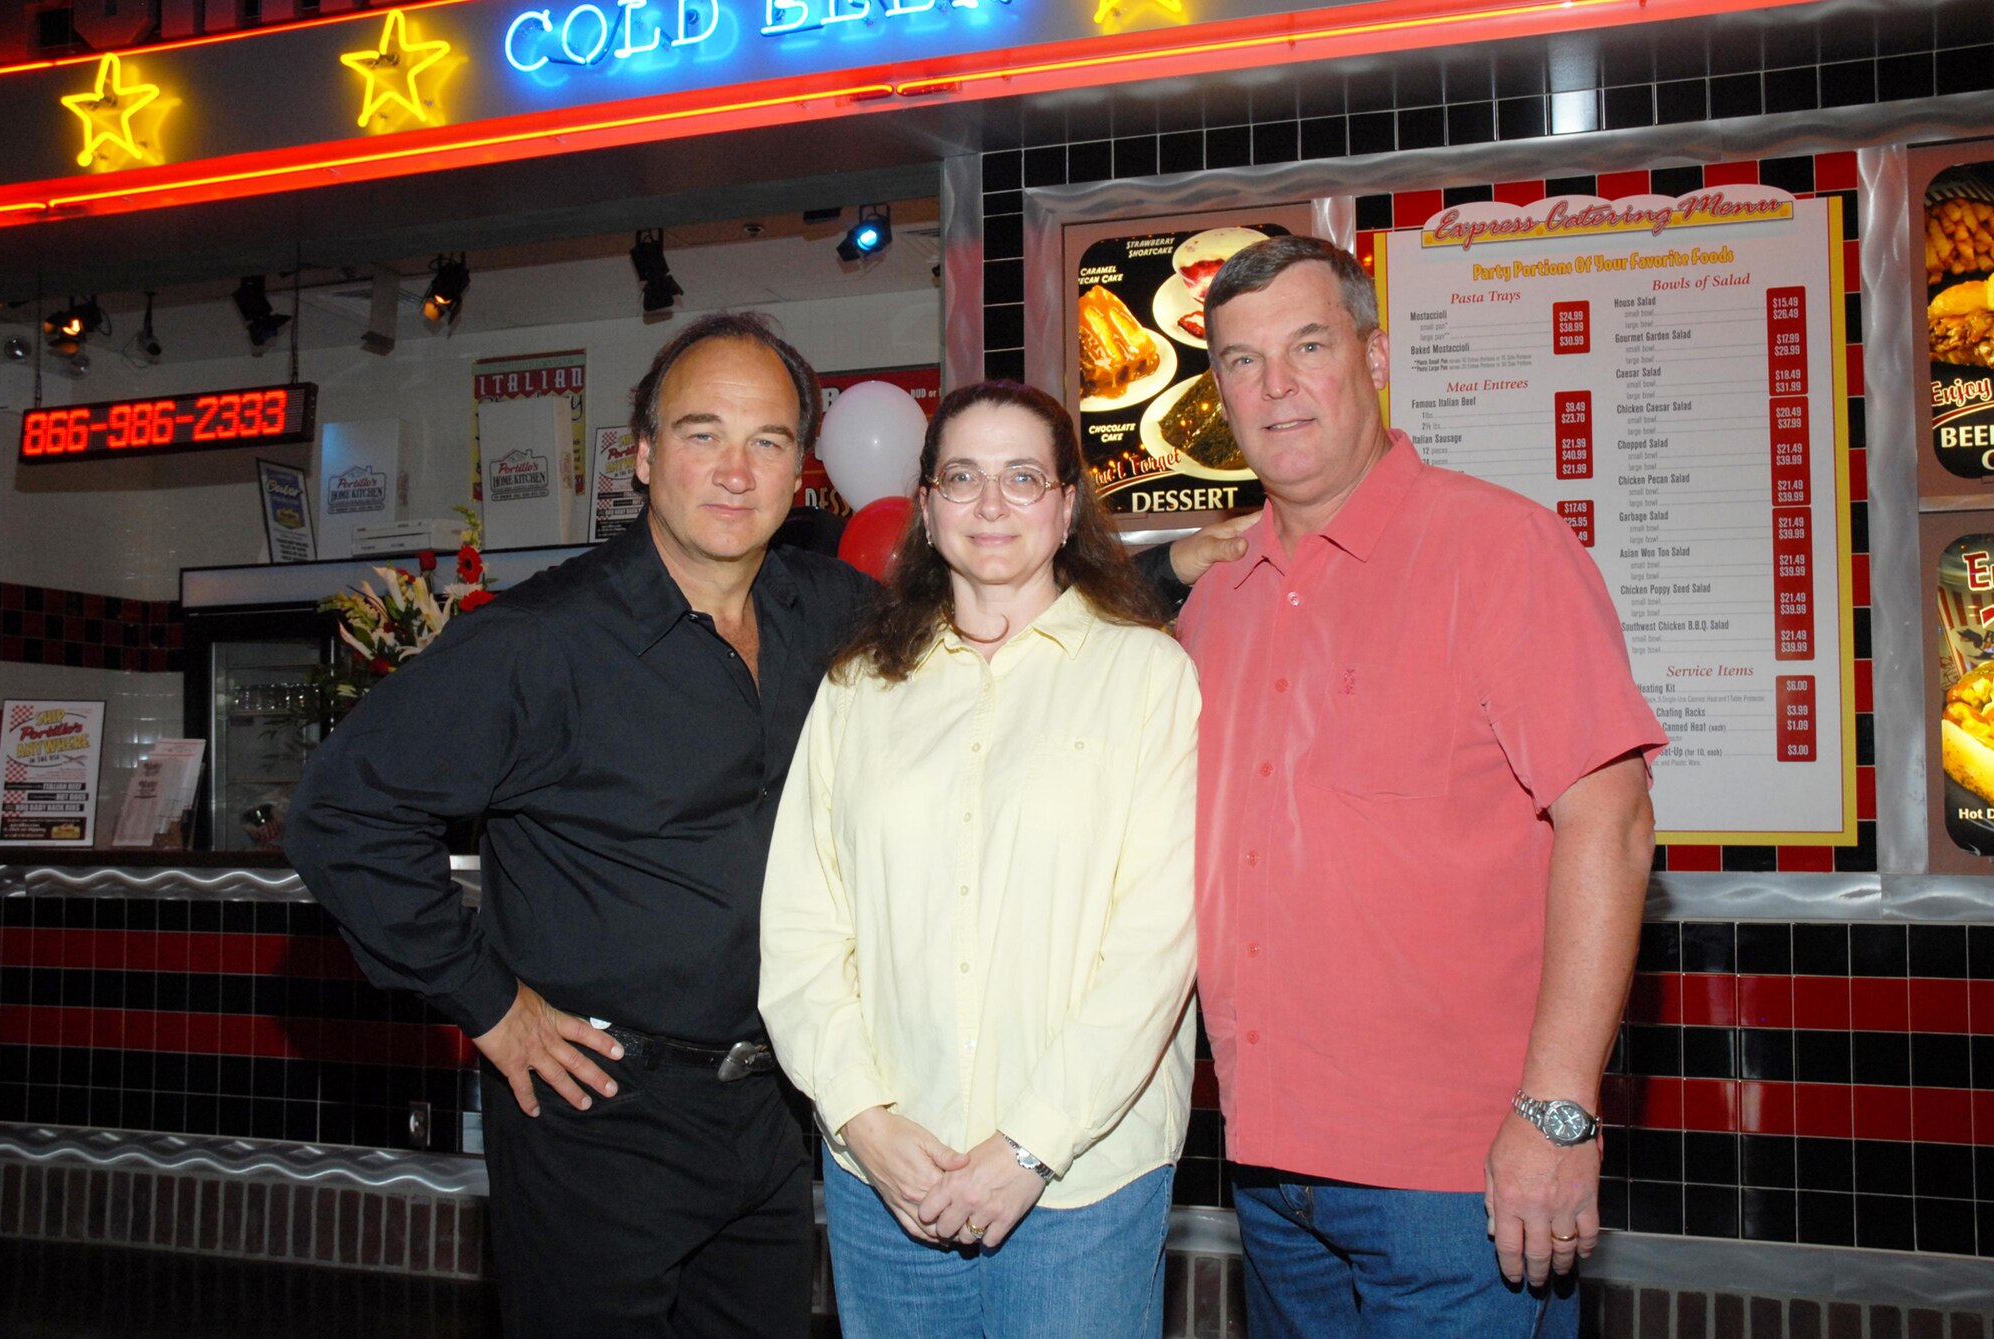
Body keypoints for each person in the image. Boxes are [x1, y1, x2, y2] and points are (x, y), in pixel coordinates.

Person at [284, 312, 871, 1336]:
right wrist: (488, 1002)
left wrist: (1170, 572)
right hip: (600, 1114)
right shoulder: (539, 640)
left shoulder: (826, 609)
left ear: (800, 472)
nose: (734, 471)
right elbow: (343, 811)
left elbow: (995, 620)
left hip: (773, 1110)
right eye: (701, 434)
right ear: (642, 456)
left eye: (767, 441)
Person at [1175, 235, 1667, 1336]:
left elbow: (1613, 821)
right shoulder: (1217, 602)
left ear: (1374, 353)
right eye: (1242, 363)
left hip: (1459, 1183)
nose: (1277, 386)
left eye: (1307, 345)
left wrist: (1556, 1112)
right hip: (1267, 1170)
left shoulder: (1499, 548)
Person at [758, 381, 1200, 1338]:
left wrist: (1031, 1146)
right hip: (889, 1177)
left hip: (1082, 1182)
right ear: (925, 505)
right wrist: (864, 1120)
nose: (991, 505)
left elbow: (1158, 947)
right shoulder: (860, 686)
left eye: (1022, 477)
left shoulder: (1146, 676)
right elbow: (799, 929)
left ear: (1068, 503)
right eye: (962, 477)